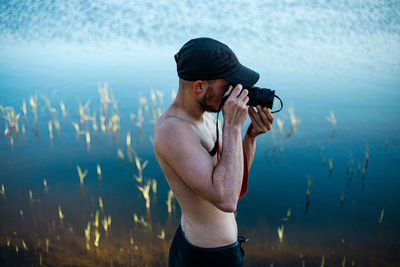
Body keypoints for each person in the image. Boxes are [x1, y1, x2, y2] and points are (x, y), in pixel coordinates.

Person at [153, 37, 274, 267]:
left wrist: (249, 136)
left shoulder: (204, 118)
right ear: (199, 86)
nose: (235, 91)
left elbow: (233, 182)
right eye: (227, 84)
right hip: (206, 258)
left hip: (215, 251)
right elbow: (227, 200)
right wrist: (232, 126)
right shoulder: (173, 130)